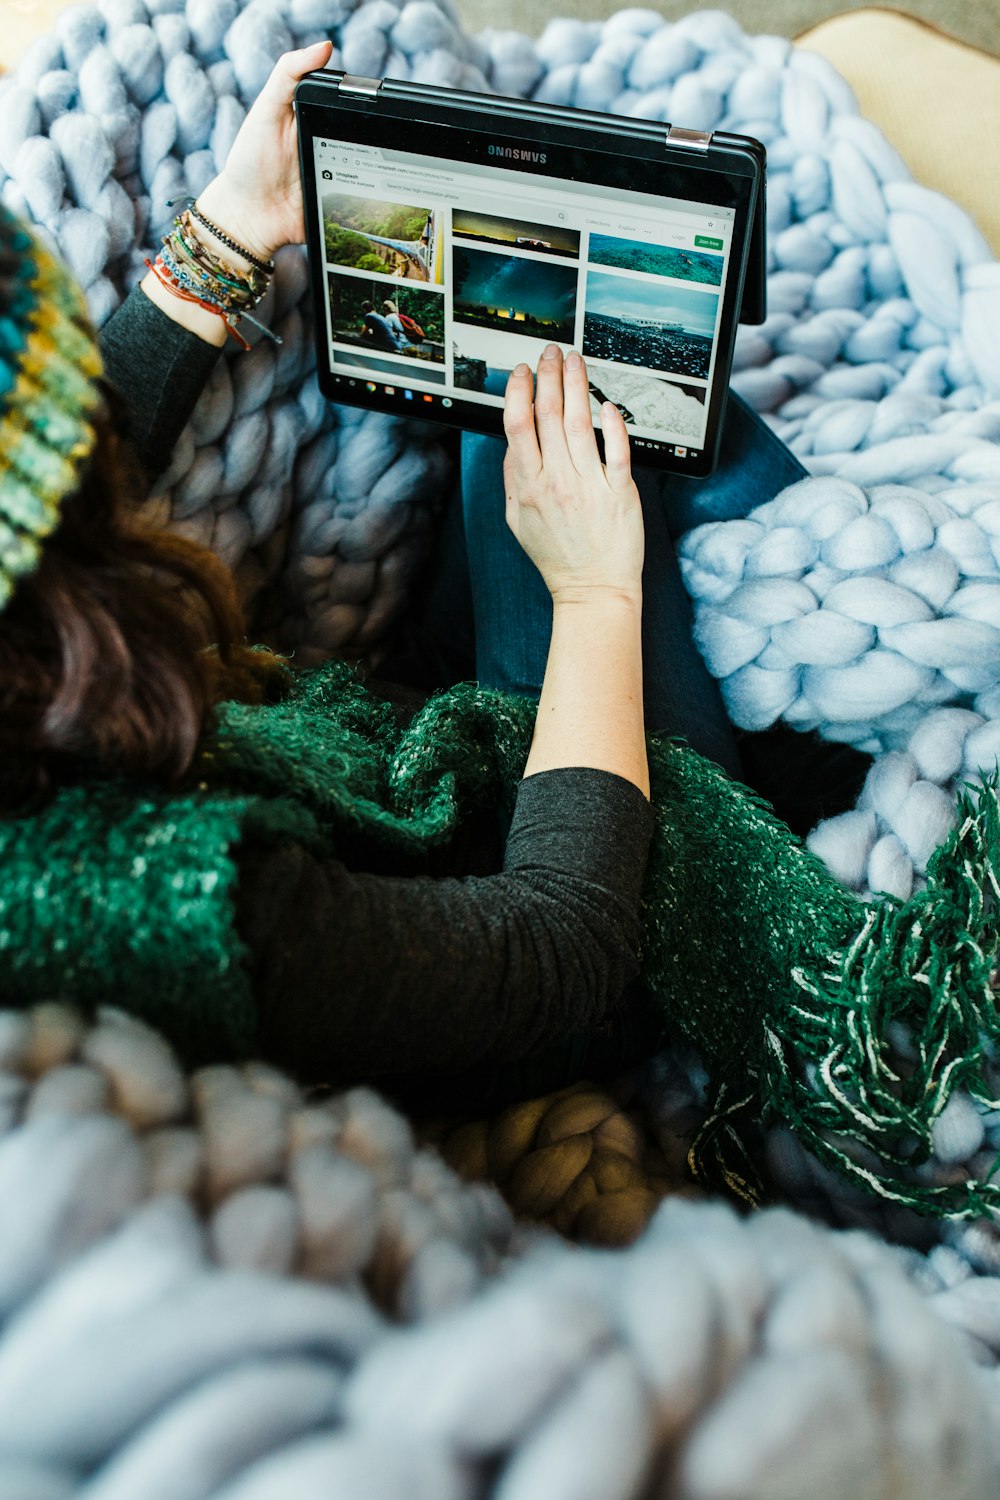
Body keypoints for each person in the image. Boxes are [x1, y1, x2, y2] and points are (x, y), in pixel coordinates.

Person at [0, 44, 881, 1130]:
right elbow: (563, 953)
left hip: (395, 764)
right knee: (572, 403)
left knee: (527, 404)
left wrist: (226, 228)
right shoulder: (151, 903)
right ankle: (828, 753)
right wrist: (595, 590)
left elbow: (60, 471)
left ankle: (791, 627)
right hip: (576, 893)